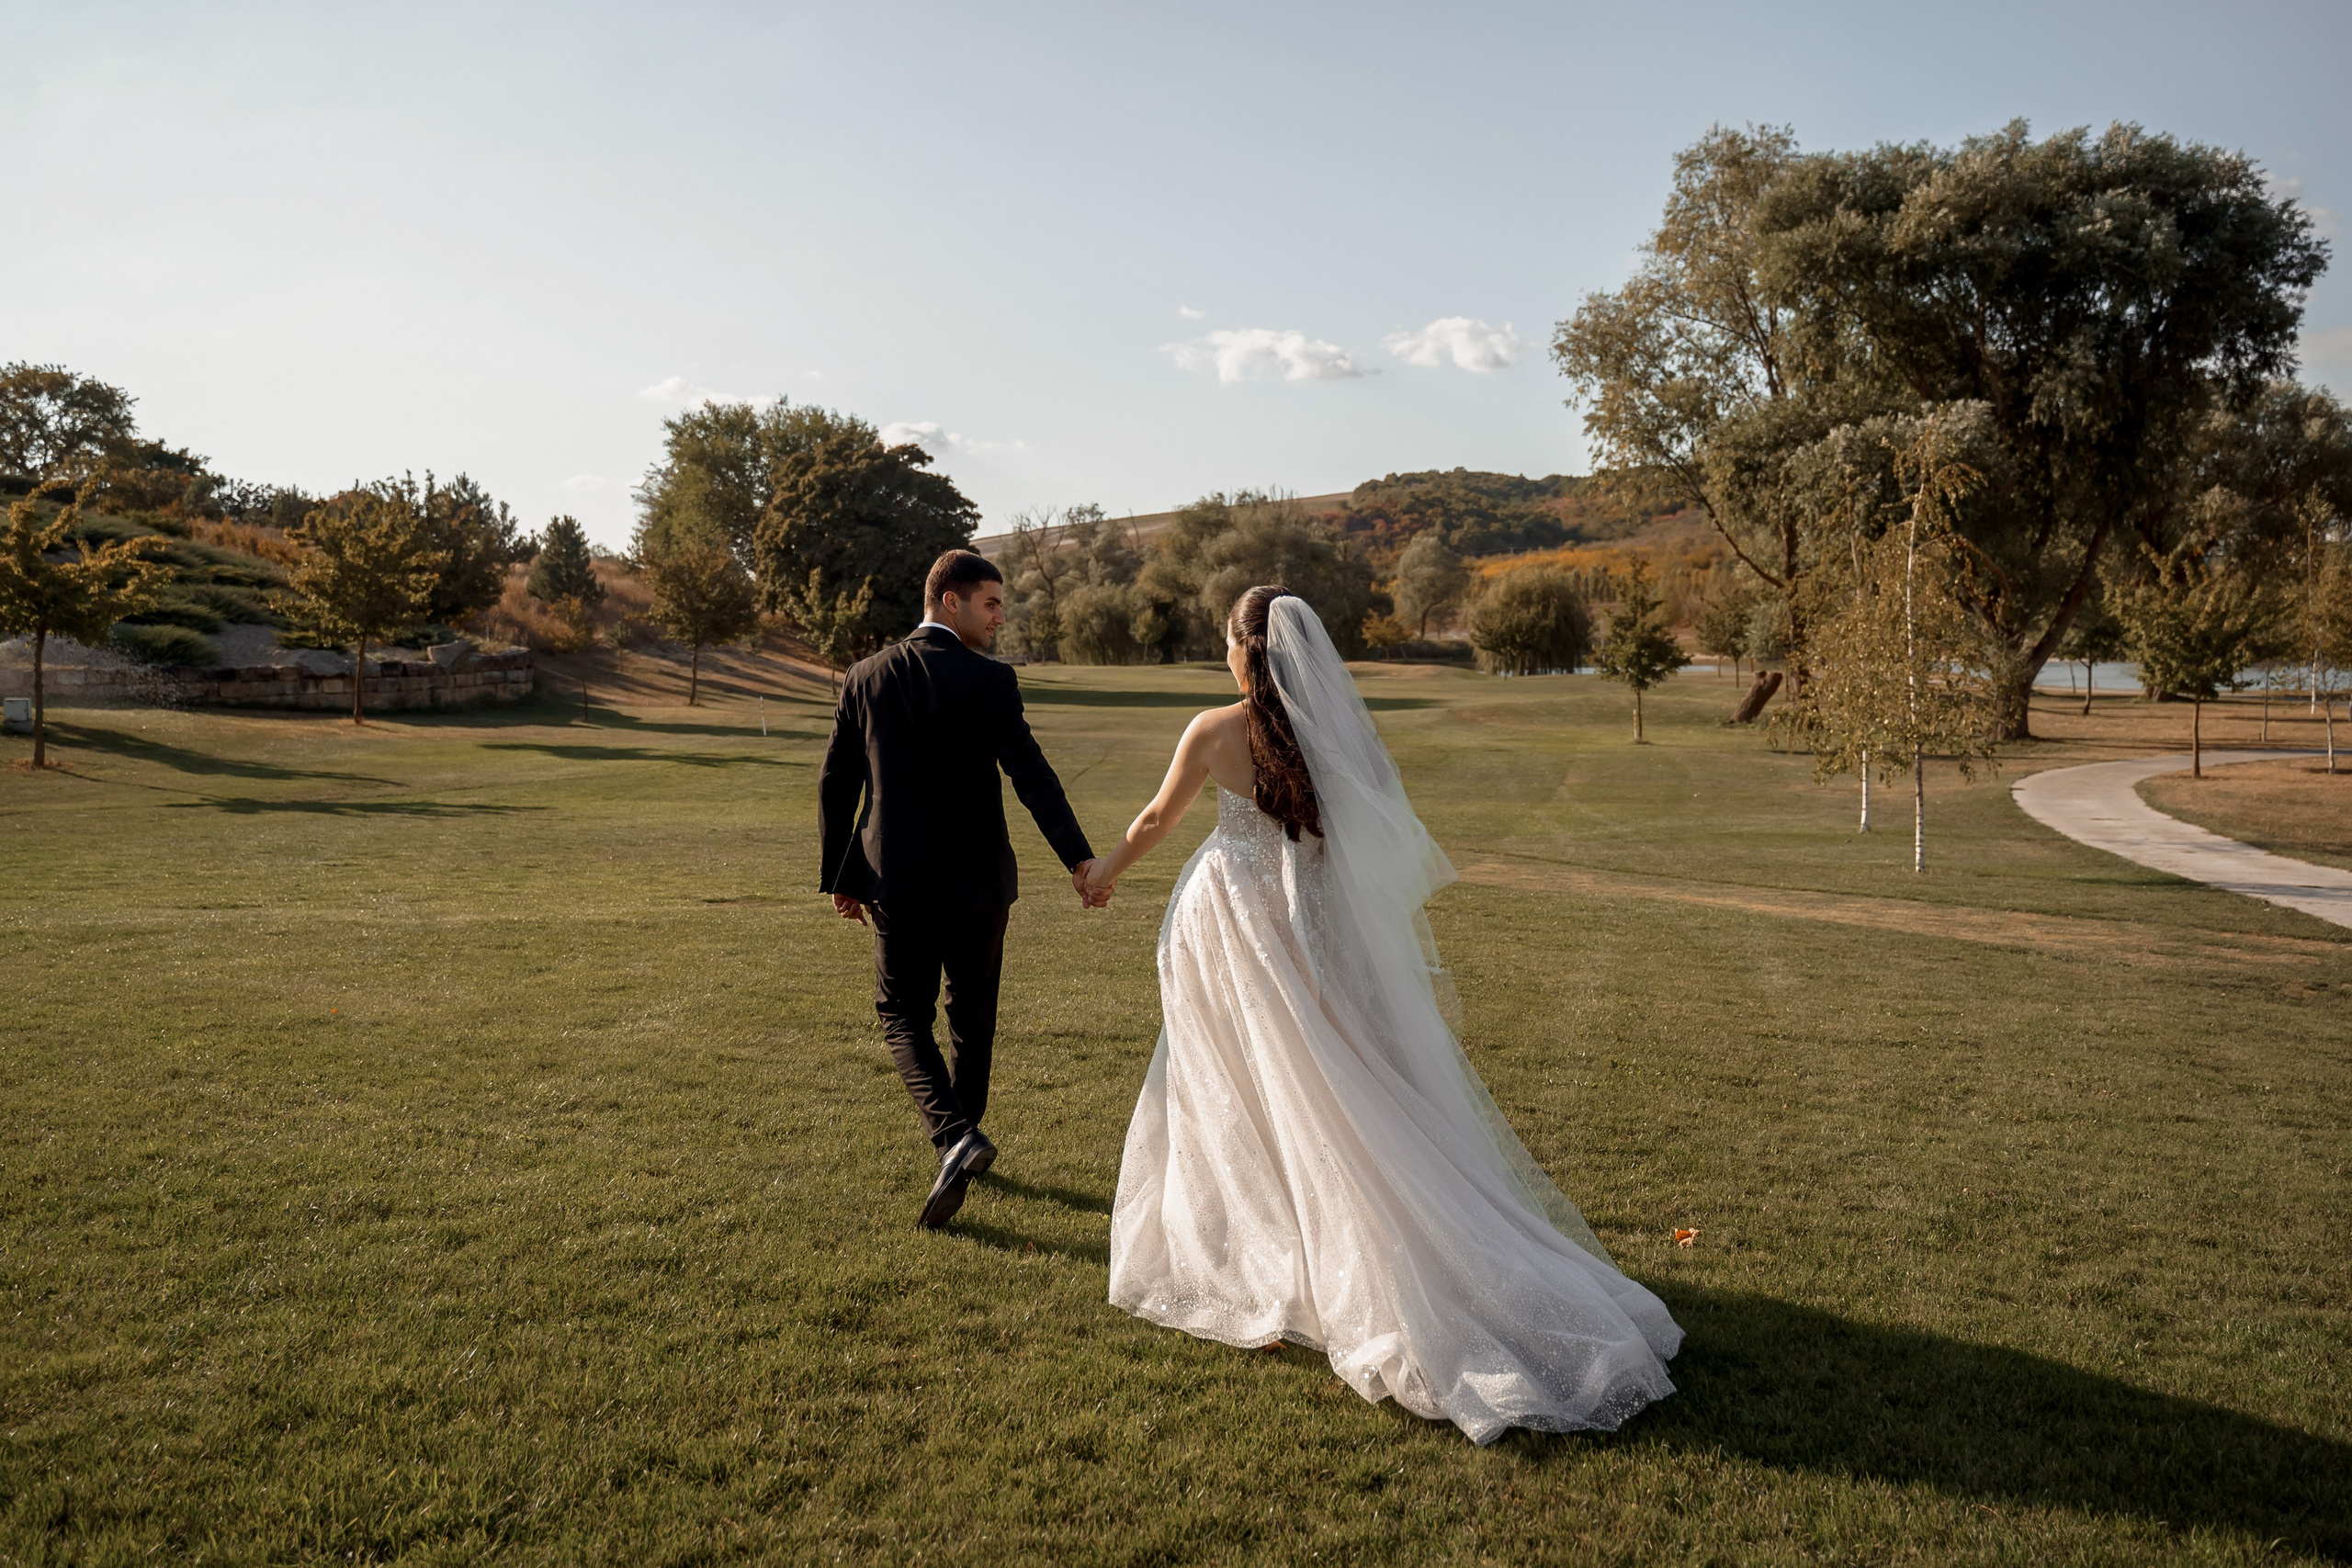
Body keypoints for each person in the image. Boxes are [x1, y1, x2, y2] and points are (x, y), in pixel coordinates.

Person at [1081, 586, 1681, 1443]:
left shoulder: (1213, 731)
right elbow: (1364, 835)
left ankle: (1293, 1254)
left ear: (1244, 654)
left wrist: (1102, 872)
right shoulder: (1338, 736)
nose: (1223, 655)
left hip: (1234, 930)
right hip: (1315, 931)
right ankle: (1321, 1241)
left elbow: (1154, 817)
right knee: (1334, 1084)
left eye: (1226, 643)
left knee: (1249, 1088)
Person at [819, 549, 1110, 1231]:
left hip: (897, 877)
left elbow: (836, 784)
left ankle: (955, 1138)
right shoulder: (992, 682)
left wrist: (842, 873)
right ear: (949, 601)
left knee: (901, 1014)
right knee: (971, 1019)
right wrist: (1077, 857)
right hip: (980, 883)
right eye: (991, 603)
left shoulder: (865, 677)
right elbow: (1032, 776)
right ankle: (961, 1139)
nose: (1000, 616)